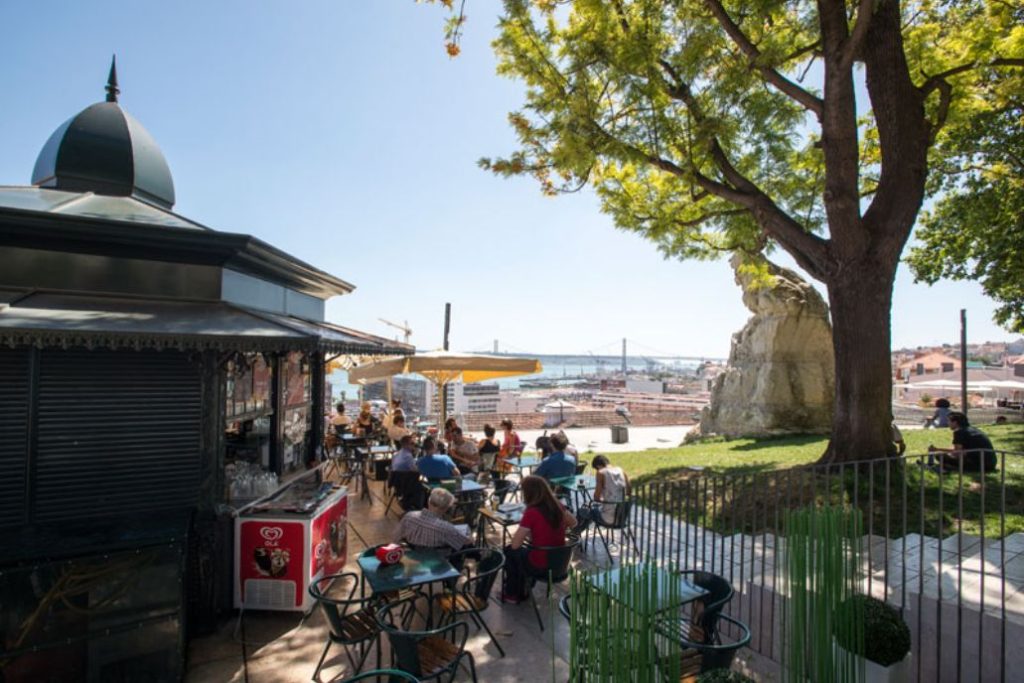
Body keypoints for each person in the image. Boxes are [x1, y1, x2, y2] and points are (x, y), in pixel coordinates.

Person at [501, 476, 576, 603]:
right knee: (522, 553)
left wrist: (529, 533)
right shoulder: (558, 506)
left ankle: (513, 593)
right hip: (560, 562)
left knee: (509, 551)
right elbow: (574, 522)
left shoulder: (531, 512)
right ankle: (524, 585)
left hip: (541, 564)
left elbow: (515, 545)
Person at [396, 487, 472, 556]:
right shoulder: (445, 528)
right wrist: (471, 537)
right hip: (439, 563)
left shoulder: (409, 516)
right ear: (446, 508)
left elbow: (397, 536)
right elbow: (466, 541)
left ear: (428, 501)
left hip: (412, 557)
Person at [574, 454, 630, 533]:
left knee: (583, 510)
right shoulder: (621, 470)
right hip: (622, 517)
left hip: (608, 519)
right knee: (591, 509)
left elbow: (596, 498)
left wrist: (604, 499)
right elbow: (629, 492)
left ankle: (575, 534)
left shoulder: (601, 473)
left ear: (598, 466)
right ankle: (576, 533)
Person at [928, 411, 998, 473]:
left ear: (955, 422)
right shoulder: (972, 429)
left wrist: (937, 450)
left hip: (979, 466)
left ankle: (949, 467)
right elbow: (958, 449)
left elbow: (957, 453)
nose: (948, 423)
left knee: (939, 456)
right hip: (990, 464)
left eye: (949, 421)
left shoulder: (959, 432)